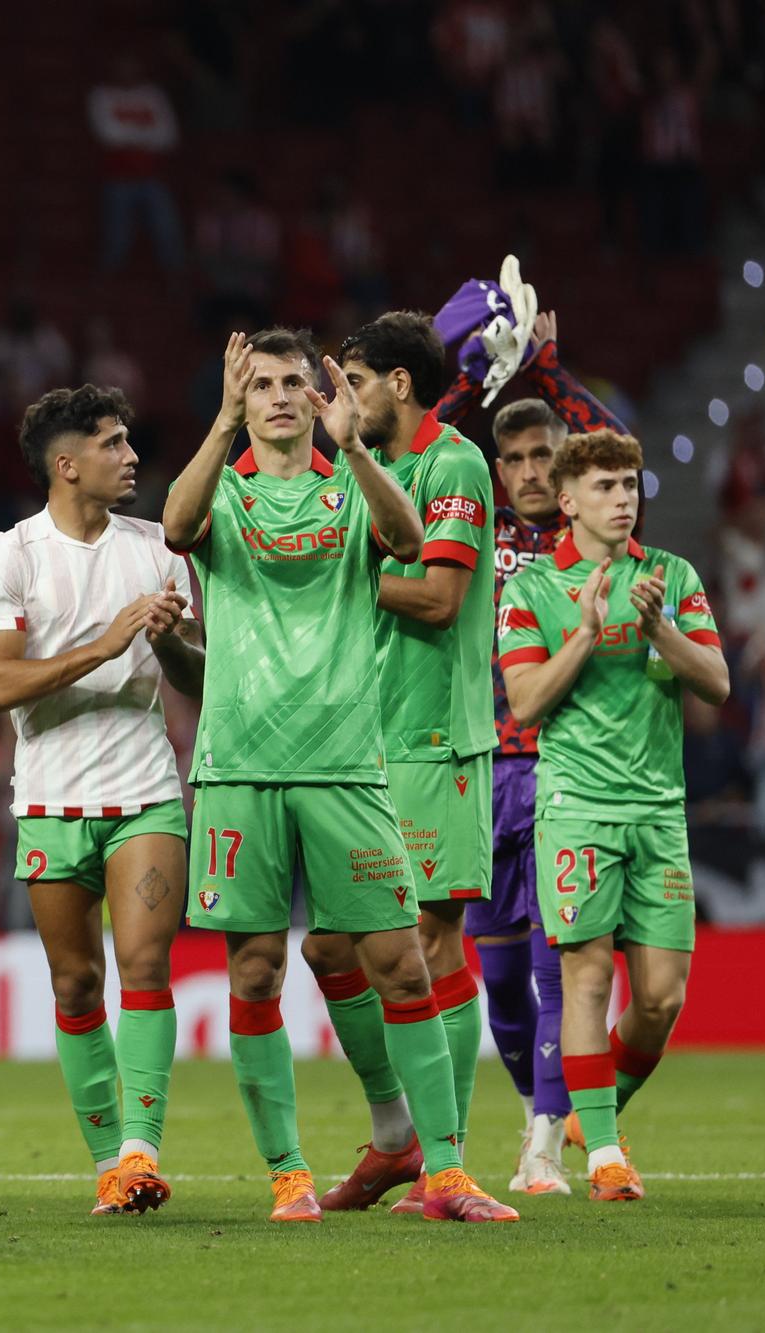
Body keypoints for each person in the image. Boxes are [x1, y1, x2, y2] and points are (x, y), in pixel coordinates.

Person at [160, 329, 515, 1224]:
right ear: (244, 398)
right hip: (240, 762)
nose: (282, 396)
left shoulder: (348, 491)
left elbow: (407, 537)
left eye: (296, 383)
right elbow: (173, 527)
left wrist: (352, 442)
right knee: (253, 973)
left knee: (401, 964)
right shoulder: (227, 495)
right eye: (265, 384)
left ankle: (446, 1169)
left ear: (321, 398)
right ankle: (287, 1172)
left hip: (349, 766)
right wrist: (217, 421)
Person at [0, 384, 202, 1216]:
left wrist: (173, 645)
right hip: (49, 800)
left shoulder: (159, 547)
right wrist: (107, 642)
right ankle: (111, 1164)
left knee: (143, 963)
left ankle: (140, 1150)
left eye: (130, 440)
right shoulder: (10, 555)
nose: (131, 455)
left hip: (144, 792)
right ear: (68, 465)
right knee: (74, 985)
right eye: (112, 442)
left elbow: (198, 681)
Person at [296, 313, 497, 1215]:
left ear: (399, 386)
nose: (344, 401)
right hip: (364, 744)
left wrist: (328, 572)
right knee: (330, 945)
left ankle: (439, 1162)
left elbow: (442, 597)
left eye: (356, 384)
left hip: (433, 739)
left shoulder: (453, 463)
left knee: (431, 940)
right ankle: (399, 1138)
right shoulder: (360, 473)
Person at [497, 430, 729, 1202]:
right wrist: (591, 632)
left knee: (661, 997)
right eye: (604, 486)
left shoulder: (671, 576)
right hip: (576, 808)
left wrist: (659, 626)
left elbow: (718, 685)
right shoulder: (530, 589)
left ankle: (591, 1114)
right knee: (587, 978)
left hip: (658, 810)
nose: (623, 498)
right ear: (568, 502)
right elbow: (525, 703)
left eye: (630, 483)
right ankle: (603, 1153)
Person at [438, 310, 630, 1193]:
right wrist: (473, 377)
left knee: (561, 972)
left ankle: (549, 1139)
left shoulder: (584, 537)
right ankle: (538, 1106)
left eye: (543, 458)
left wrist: (547, 366)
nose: (527, 473)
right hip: (479, 771)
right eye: (511, 458)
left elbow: (618, 451)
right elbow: (414, 447)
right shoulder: (471, 527)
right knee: (502, 985)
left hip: (563, 769)